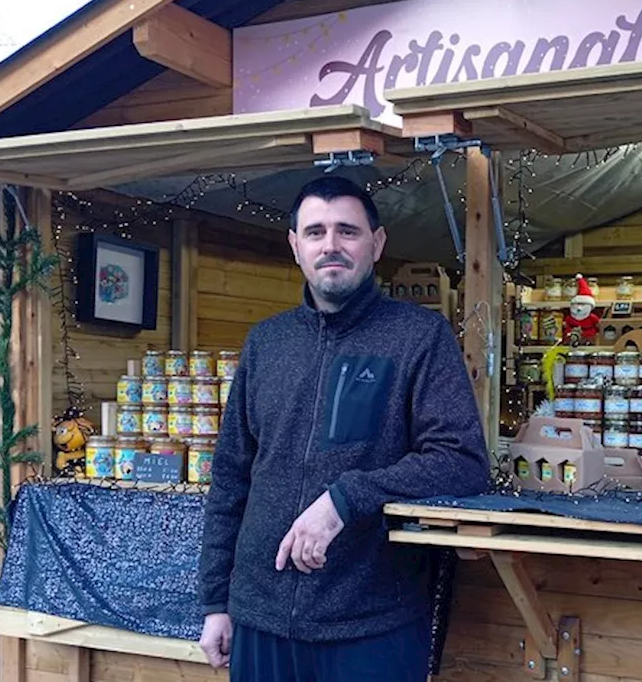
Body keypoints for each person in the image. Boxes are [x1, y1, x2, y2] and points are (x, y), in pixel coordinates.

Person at [196, 176, 491, 681]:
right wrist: (215, 603)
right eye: (315, 232)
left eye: (347, 231)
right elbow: (230, 480)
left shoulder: (419, 338)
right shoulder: (267, 343)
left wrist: (346, 498)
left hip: (371, 621)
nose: (330, 245)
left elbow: (460, 461)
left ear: (376, 244)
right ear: (295, 247)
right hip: (260, 616)